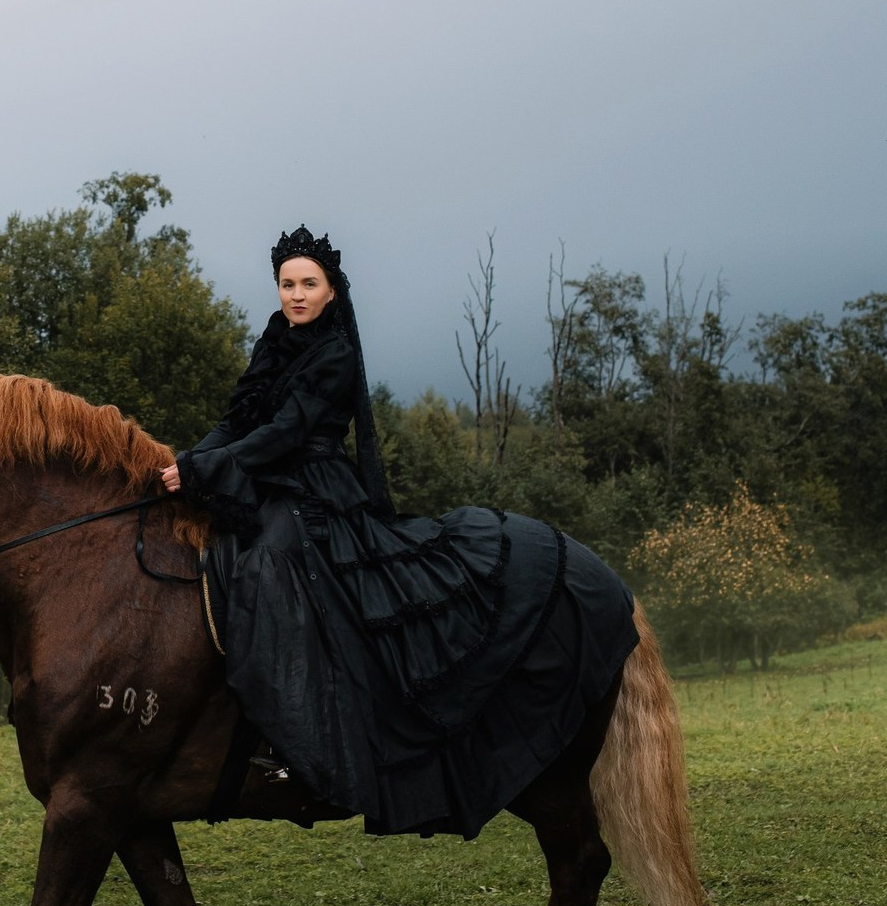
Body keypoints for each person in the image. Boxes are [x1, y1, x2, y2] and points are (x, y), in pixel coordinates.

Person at [161, 225, 638, 838]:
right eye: (287, 284)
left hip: (315, 491)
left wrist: (208, 468)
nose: (297, 295)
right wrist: (187, 461)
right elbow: (238, 421)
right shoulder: (274, 342)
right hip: (267, 484)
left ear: (332, 292)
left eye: (309, 284)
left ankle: (295, 741)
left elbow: (287, 432)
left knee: (266, 566)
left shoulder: (334, 352)